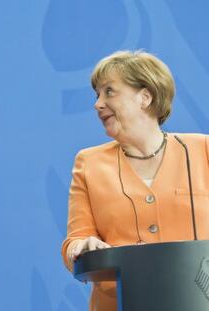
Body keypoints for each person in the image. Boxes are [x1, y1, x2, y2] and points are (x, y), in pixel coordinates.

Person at [61, 50, 209, 310]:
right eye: (97, 95)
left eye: (109, 91)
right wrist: (81, 245)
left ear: (145, 97)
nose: (98, 104)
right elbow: (75, 240)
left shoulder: (203, 150)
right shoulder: (89, 163)